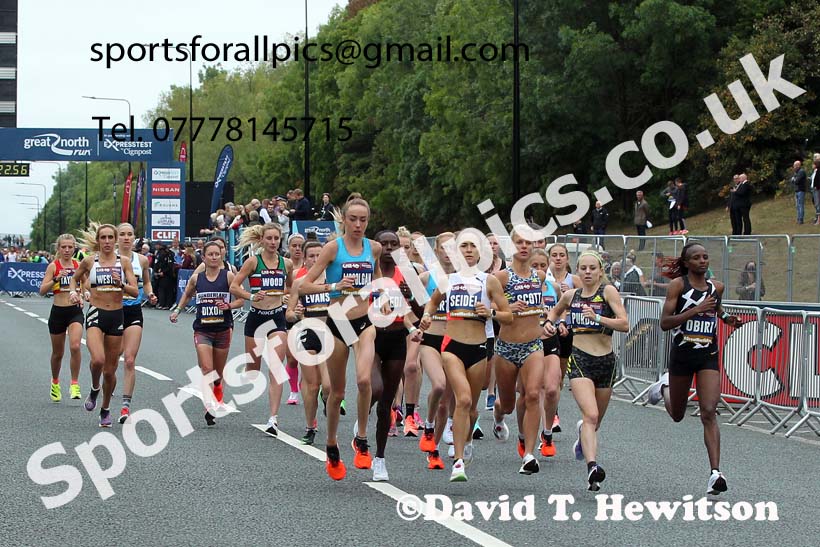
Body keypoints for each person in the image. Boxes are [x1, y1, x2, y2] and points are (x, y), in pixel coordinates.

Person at [647, 243, 741, 495]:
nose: (702, 261)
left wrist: (727, 319)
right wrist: (694, 310)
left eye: (705, 256)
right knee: (677, 414)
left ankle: (715, 473)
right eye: (696, 258)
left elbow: (717, 309)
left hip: (707, 354)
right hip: (682, 355)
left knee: (709, 410)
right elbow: (665, 323)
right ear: (686, 263)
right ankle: (664, 386)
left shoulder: (716, 287)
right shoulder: (678, 286)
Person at [419, 232, 513, 482]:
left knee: (470, 408)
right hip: (452, 346)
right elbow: (432, 303)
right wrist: (428, 316)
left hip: (479, 348)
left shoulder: (489, 281)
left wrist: (491, 312)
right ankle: (458, 462)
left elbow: (508, 316)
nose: (468, 250)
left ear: (481, 252)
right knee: (461, 400)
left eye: (473, 246)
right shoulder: (447, 280)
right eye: (463, 246)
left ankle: (467, 437)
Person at [300, 197, 382, 480]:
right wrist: (334, 286)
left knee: (364, 380)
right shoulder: (333, 248)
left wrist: (382, 297)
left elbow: (379, 280)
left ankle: (360, 438)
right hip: (337, 323)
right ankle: (332, 444)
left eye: (363, 220)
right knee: (335, 393)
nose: (358, 225)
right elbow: (304, 286)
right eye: (353, 219)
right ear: (344, 220)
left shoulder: (375, 248)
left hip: (364, 322)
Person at [546, 251, 628, 491]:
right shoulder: (571, 295)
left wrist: (600, 318)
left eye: (593, 268)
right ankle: (592, 467)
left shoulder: (608, 292)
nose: (588, 272)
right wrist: (551, 323)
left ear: (600, 271)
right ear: (578, 271)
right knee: (590, 415)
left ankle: (584, 435)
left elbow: (624, 323)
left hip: (606, 361)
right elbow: (554, 311)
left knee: (595, 421)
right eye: (584, 268)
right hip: (580, 359)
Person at [490, 229, 549, 475]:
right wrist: (506, 307)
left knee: (533, 394)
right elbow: (487, 304)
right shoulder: (500, 277)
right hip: (506, 347)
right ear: (511, 246)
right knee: (508, 404)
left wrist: (546, 318)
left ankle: (529, 453)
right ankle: (498, 415)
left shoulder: (539, 276)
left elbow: (542, 304)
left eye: (528, 242)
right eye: (519, 242)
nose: (524, 246)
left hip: (533, 344)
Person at [69, 223, 139, 427]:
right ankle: (94, 388)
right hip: (96, 313)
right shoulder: (90, 261)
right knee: (98, 360)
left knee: (110, 371)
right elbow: (74, 280)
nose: (107, 242)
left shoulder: (123, 262)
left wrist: (121, 285)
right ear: (98, 241)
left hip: (117, 315)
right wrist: (74, 292)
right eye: (103, 238)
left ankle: (105, 408)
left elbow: (135, 292)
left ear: (115, 240)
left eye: (110, 238)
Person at [230, 224, 294, 437]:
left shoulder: (287, 264)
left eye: (276, 238)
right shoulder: (252, 262)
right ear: (262, 240)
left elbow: (291, 288)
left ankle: (273, 419)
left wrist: (286, 297)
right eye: (269, 238)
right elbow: (234, 287)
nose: (273, 242)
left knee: (276, 367)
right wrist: (251, 297)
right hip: (256, 319)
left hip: (276, 318)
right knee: (253, 370)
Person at [170, 241, 244, 425]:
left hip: (222, 328)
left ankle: (217, 388)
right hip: (202, 329)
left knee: (217, 373)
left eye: (216, 254)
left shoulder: (228, 276)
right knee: (206, 368)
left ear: (221, 256)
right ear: (203, 258)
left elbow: (241, 301)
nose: (213, 257)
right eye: (210, 254)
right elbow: (187, 294)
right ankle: (209, 405)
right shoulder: (197, 278)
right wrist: (177, 311)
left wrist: (228, 306)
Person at [286, 240, 333, 445]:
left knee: (329, 386)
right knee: (312, 385)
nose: (315, 259)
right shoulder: (300, 282)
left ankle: (326, 400)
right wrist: (294, 314)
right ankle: (310, 426)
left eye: (318, 255)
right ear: (304, 259)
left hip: (330, 333)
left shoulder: (334, 279)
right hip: (306, 332)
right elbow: (288, 314)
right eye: (311, 256)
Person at [416, 232, 456, 470]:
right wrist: (418, 324)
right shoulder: (424, 278)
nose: (449, 253)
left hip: (456, 340)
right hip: (430, 338)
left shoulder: (467, 279)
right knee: (439, 385)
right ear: (437, 251)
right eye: (444, 248)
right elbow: (410, 308)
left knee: (446, 401)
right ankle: (428, 425)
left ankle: (435, 448)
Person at [116, 223, 158, 424]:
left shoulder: (141, 259)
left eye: (129, 234)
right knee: (110, 359)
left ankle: (125, 406)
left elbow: (147, 281)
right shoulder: (108, 259)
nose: (126, 238)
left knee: (130, 359)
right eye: (122, 234)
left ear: (134, 238)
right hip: (112, 310)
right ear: (117, 237)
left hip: (133, 309)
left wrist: (149, 293)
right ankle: (102, 389)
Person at [39, 234, 85, 402]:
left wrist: (84, 294)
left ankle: (74, 383)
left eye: (70, 247)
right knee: (58, 353)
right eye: (63, 247)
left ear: (74, 248)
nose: (67, 250)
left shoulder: (78, 265)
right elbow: (42, 290)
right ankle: (55, 382)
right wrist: (56, 280)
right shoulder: (53, 266)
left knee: (75, 346)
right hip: (58, 312)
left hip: (75, 311)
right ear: (58, 249)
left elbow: (86, 284)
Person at [545, 243, 581, 433]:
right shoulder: (544, 276)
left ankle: (554, 409)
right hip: (546, 329)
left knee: (559, 374)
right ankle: (552, 412)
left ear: (567, 259)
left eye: (561, 255)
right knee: (548, 375)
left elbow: (586, 299)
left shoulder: (574, 279)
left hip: (566, 329)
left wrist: (571, 295)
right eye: (554, 255)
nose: (558, 258)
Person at [791, 160, 807, 224]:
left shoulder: (801, 172)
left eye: (794, 165)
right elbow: (792, 180)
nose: (793, 167)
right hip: (797, 190)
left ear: (798, 165)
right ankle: (798, 219)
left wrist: (794, 179)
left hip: (801, 190)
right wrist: (794, 179)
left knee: (800, 205)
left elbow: (796, 181)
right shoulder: (796, 172)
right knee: (797, 206)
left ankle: (801, 220)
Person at [810, 158, 820, 225]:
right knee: (815, 204)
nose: (812, 165)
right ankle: (816, 218)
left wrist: (817, 186)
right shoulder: (815, 171)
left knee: (818, 204)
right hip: (813, 189)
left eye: (813, 164)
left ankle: (818, 220)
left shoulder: (819, 171)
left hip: (817, 189)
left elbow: (818, 180)